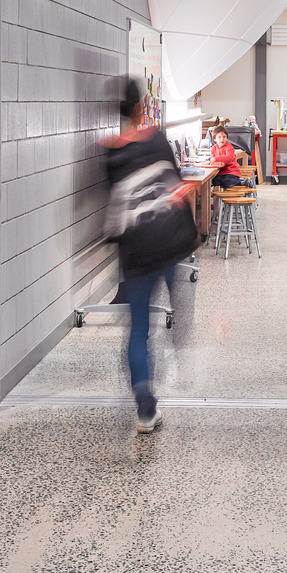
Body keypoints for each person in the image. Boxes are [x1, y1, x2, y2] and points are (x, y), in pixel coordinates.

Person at [102, 77, 198, 434]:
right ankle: (181, 348)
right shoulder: (157, 138)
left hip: (135, 251)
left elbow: (117, 201)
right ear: (143, 107)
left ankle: (144, 406)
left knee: (139, 329)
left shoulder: (111, 154)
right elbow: (176, 185)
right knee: (178, 304)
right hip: (167, 241)